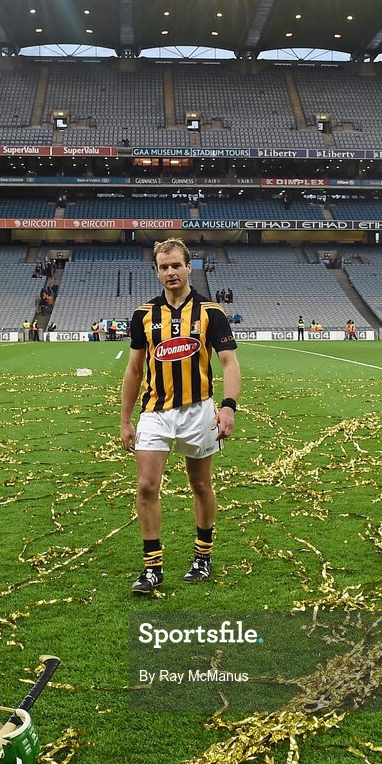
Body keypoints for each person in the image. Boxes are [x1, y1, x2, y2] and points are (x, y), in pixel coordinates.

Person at [121, 238, 241, 595]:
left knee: (201, 485)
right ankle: (152, 567)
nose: (170, 272)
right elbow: (134, 370)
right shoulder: (144, 315)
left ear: (189, 267)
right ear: (157, 271)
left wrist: (228, 406)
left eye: (176, 265)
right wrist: (126, 419)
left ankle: (202, 556)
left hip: (199, 410)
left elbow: (229, 363)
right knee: (146, 485)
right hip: (155, 412)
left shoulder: (211, 313)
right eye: (163, 267)